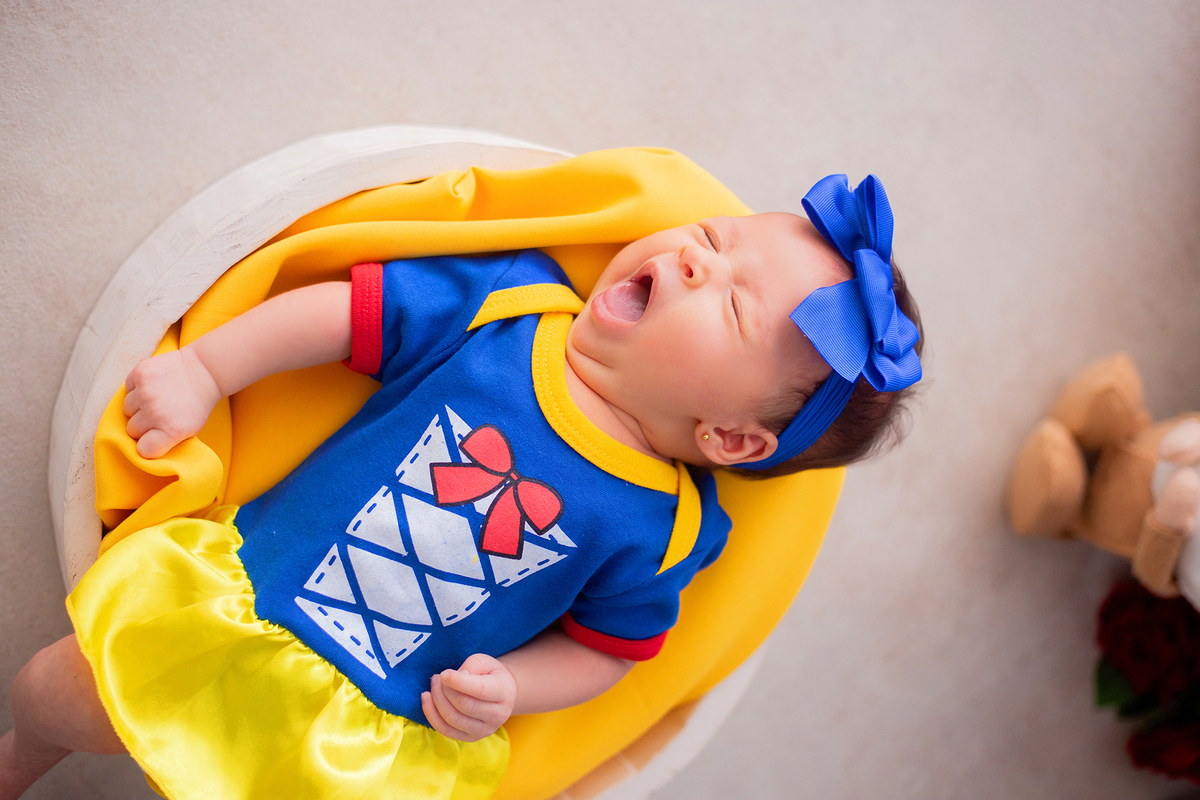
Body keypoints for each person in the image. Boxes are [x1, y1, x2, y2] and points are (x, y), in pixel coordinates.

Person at [1, 174, 922, 800]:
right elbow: (342, 315)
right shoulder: (511, 310)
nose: (693, 257)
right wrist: (208, 369)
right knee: (57, 692)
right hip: (245, 599)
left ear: (728, 436)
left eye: (729, 301)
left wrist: (513, 687)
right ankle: (22, 757)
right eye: (715, 239)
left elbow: (612, 651)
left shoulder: (668, 528)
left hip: (367, 725)